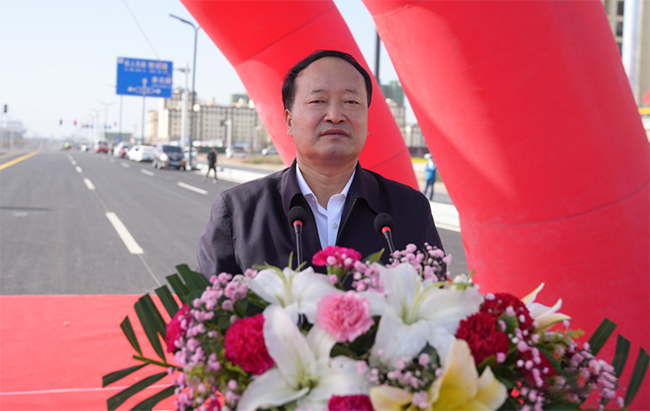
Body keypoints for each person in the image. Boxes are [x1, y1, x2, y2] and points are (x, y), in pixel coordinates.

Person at [196, 50, 443, 278]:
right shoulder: (238, 211)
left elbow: (438, 302)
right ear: (289, 121)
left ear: (367, 120)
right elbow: (208, 307)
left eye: (351, 102)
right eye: (318, 101)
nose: (335, 116)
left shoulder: (411, 209)